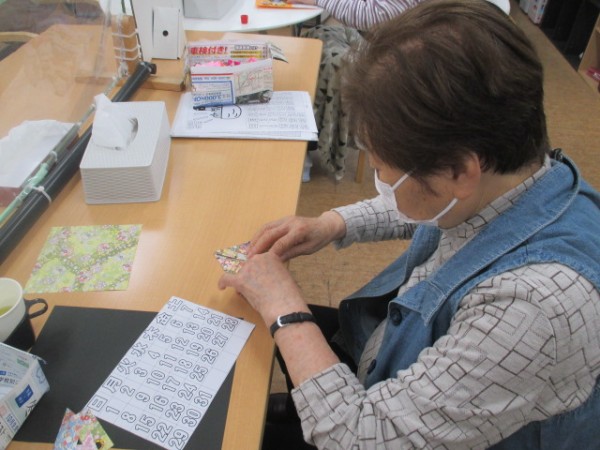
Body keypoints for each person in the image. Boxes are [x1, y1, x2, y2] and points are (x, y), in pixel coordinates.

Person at [218, 0, 600, 448]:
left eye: (383, 171)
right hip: (400, 355)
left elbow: (362, 439)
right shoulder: (518, 174)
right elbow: (429, 207)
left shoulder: (532, 311)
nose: (381, 183)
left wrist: (285, 308)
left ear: (459, 171)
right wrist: (331, 223)